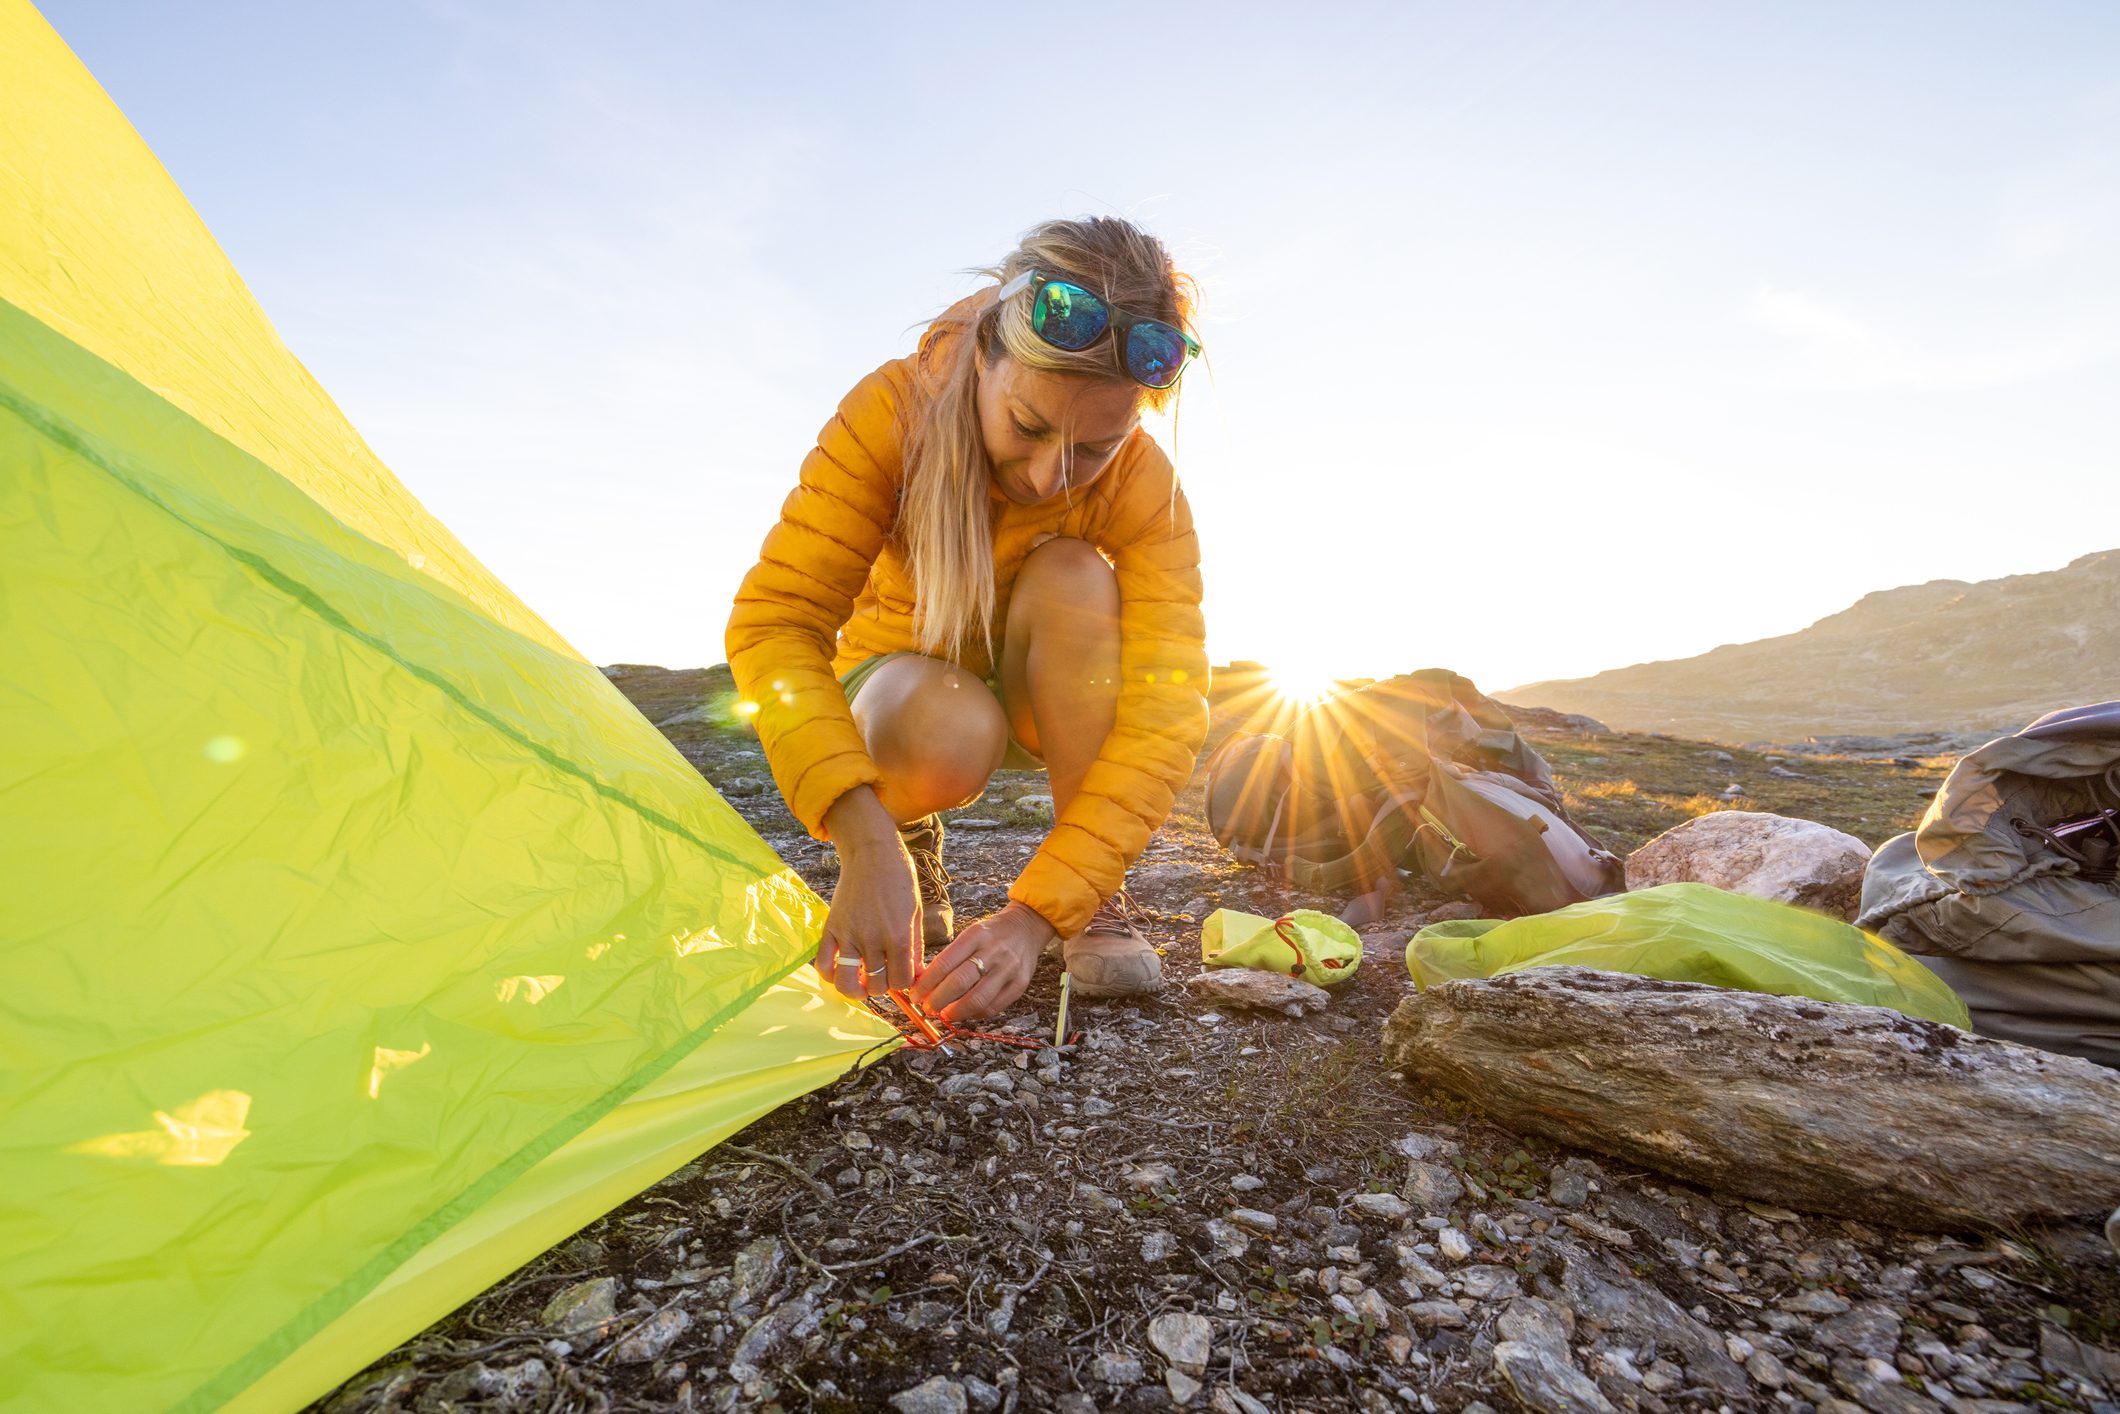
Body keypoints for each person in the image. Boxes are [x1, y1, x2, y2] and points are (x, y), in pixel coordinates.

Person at [726, 216, 1208, 1023]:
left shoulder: (1142, 482)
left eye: (1095, 447)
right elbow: (776, 622)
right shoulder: (891, 411)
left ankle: (1098, 899)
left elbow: (1167, 707)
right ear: (985, 354)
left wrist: (1039, 915)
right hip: (903, 701)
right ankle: (907, 839)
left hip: (1037, 699)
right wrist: (863, 837)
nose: (1053, 475)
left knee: (1076, 573)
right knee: (945, 725)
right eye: (1027, 426)